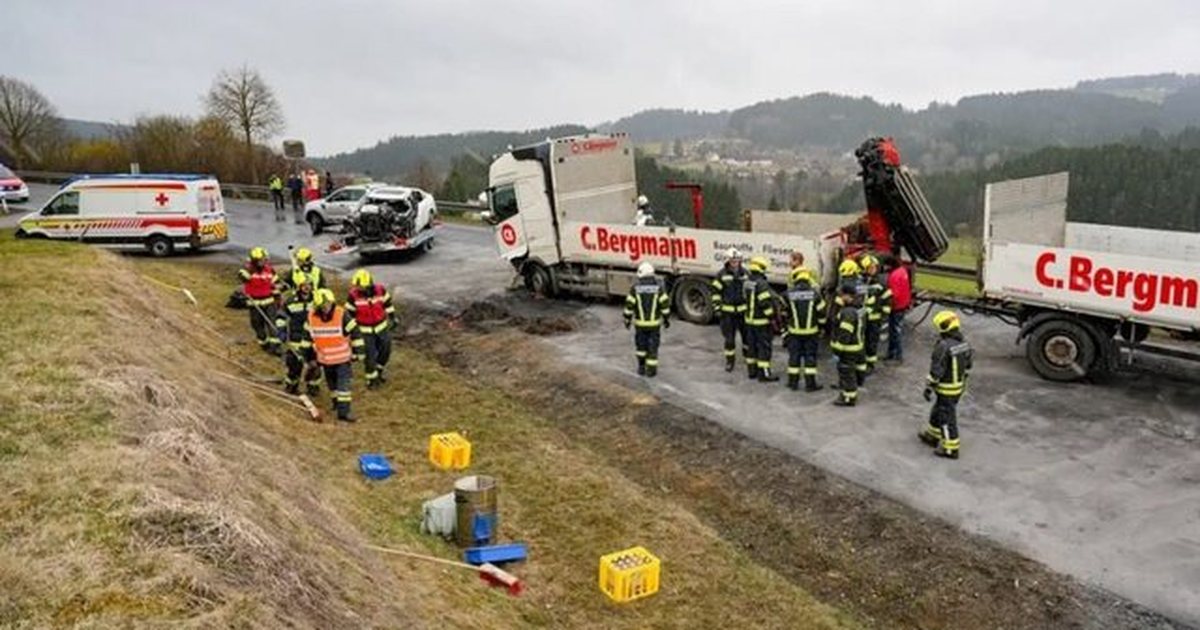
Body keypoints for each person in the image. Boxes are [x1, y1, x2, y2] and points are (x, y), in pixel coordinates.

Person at [304, 288, 364, 422]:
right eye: (323, 306)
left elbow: (356, 332)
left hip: (343, 359)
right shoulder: (311, 318)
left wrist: (359, 352)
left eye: (328, 304)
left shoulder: (342, 315)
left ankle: (344, 413)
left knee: (343, 386)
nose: (326, 308)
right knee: (332, 385)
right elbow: (306, 339)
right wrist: (309, 359)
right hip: (325, 360)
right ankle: (336, 404)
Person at [920, 310, 973, 459]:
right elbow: (968, 365)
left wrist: (929, 387)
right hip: (958, 387)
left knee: (946, 417)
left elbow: (936, 370)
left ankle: (950, 448)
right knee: (938, 410)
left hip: (946, 388)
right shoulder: (964, 344)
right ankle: (932, 435)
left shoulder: (943, 346)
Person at [346, 270, 396, 390]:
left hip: (382, 328)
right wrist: (351, 334)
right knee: (370, 356)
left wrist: (393, 318)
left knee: (386, 351)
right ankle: (371, 380)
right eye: (357, 286)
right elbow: (349, 315)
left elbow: (387, 304)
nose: (358, 288)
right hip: (365, 331)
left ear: (369, 284)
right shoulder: (353, 295)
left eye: (361, 286)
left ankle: (379, 370)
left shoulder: (380, 290)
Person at [783, 254, 827, 392]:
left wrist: (786, 329)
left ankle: (793, 383)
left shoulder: (788, 294)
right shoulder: (815, 294)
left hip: (794, 332)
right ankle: (810, 384)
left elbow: (784, 313)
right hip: (811, 332)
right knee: (810, 358)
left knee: (794, 357)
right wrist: (821, 327)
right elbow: (822, 313)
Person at [275, 276, 321, 396]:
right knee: (294, 366)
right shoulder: (290, 301)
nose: (307, 287)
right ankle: (291, 386)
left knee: (314, 364)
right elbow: (281, 317)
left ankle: (313, 387)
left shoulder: (317, 300)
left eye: (309, 284)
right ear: (299, 286)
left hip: (313, 339)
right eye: (304, 285)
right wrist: (281, 330)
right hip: (296, 339)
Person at [622, 262, 670, 377]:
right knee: (653, 347)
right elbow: (665, 306)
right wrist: (666, 319)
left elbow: (629, 306)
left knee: (641, 347)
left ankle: (641, 367)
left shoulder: (635, 289)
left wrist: (627, 320)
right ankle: (651, 371)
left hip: (640, 325)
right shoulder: (659, 289)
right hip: (654, 326)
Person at [710, 247, 748, 372]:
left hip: (743, 313)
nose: (735, 262)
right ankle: (730, 361)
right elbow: (715, 292)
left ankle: (749, 360)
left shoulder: (746, 274)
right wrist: (717, 308)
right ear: (728, 261)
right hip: (727, 314)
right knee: (729, 340)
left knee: (747, 338)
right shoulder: (721, 275)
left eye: (737, 260)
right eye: (732, 260)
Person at [238, 247, 282, 354]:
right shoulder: (248, 270)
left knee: (272, 324)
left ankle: (275, 347)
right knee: (257, 324)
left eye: (264, 259)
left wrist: (277, 297)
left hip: (269, 302)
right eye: (261, 260)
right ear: (255, 261)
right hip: (255, 304)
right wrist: (250, 270)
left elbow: (275, 283)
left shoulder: (269, 270)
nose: (264, 262)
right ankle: (264, 343)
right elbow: (242, 275)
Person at [743, 256, 778, 382]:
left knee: (751, 347)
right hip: (761, 322)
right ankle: (764, 374)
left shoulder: (747, 282)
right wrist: (772, 317)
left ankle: (752, 371)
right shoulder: (761, 284)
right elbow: (764, 304)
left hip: (749, 321)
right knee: (764, 348)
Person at [829, 283, 865, 406]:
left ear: (847, 296)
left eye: (842, 295)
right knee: (848, 373)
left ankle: (849, 398)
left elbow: (845, 334)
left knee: (847, 373)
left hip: (848, 350)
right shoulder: (857, 308)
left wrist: (837, 351)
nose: (840, 297)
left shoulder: (848, 312)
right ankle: (846, 394)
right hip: (855, 347)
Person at [859, 254, 893, 372]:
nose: (873, 269)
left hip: (875, 319)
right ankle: (862, 362)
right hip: (863, 318)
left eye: (874, 267)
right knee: (862, 341)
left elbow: (887, 299)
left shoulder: (880, 283)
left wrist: (884, 314)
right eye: (871, 267)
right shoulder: (861, 282)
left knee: (871, 342)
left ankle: (870, 365)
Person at [885, 255, 912, 361]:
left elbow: (894, 294)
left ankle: (897, 355)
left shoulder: (894, 276)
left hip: (896, 307)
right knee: (895, 330)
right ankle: (892, 353)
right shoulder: (902, 271)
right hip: (903, 304)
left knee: (895, 331)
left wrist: (885, 302)